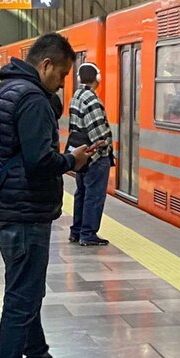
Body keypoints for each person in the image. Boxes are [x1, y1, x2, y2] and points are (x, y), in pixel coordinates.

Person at [0, 33, 93, 358]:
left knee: (27, 289)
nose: (63, 82)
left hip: (10, 207)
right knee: (23, 295)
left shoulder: (11, 88)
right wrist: (72, 161)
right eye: (62, 75)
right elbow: (39, 161)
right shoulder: (31, 98)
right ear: (45, 65)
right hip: (24, 210)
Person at [68, 62, 113, 246]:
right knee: (94, 195)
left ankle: (76, 231)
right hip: (94, 157)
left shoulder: (77, 95)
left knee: (81, 193)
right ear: (98, 78)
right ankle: (88, 233)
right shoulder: (91, 99)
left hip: (81, 153)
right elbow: (98, 133)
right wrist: (105, 149)